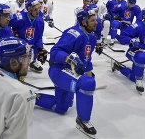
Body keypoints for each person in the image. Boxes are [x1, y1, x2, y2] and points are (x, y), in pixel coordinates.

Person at [35, 8, 98, 138]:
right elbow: (54, 52)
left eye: (95, 20)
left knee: (62, 107)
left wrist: (89, 71)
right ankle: (83, 121)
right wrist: (68, 58)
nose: (96, 23)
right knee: (87, 84)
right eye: (92, 20)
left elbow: (87, 58)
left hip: (70, 72)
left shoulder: (91, 37)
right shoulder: (74, 34)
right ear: (84, 22)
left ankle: (31, 97)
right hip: (58, 70)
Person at [115, 7, 145, 93]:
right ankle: (139, 81)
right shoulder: (137, 26)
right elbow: (122, 36)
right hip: (134, 52)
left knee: (134, 77)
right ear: (144, 16)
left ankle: (119, 67)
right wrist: (131, 41)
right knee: (142, 59)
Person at [9, 0, 47, 73]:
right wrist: (11, 33)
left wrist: (40, 49)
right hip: (18, 44)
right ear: (29, 10)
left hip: (28, 45)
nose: (38, 12)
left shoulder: (40, 21)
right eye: (35, 9)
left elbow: (39, 37)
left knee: (38, 46)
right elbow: (5, 24)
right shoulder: (19, 18)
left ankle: (33, 61)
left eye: (39, 8)